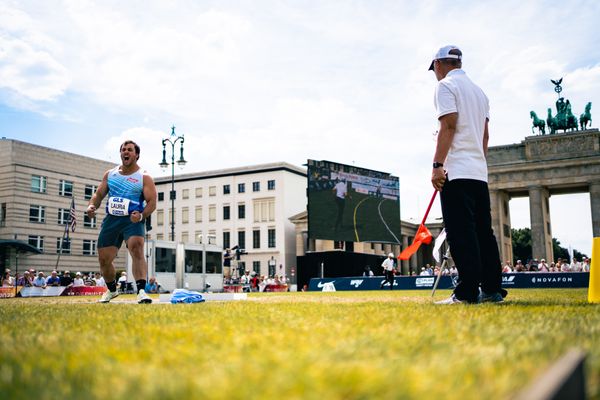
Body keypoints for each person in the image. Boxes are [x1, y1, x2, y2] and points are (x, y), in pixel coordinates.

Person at [429, 45, 505, 304]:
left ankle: (466, 292)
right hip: (478, 172)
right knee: (484, 233)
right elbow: (485, 136)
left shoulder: (445, 87)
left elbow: (448, 126)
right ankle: (492, 290)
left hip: (457, 171)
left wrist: (437, 164)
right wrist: (478, 164)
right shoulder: (480, 92)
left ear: (439, 65)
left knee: (461, 233)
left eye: (434, 69)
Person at [87, 140, 157, 303]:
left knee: (136, 249)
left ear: (136, 155)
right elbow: (98, 195)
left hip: (133, 219)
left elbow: (152, 202)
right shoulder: (110, 174)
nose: (126, 152)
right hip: (112, 219)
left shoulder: (144, 177)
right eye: (123, 150)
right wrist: (92, 206)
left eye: (130, 150)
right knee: (104, 259)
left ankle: (141, 291)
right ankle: (111, 290)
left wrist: (140, 216)